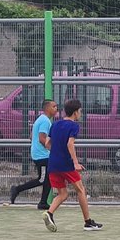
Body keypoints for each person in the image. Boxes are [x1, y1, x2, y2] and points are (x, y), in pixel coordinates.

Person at [42, 99, 102, 232]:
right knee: (80, 190)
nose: (80, 113)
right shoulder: (74, 126)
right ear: (75, 112)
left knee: (63, 194)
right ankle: (88, 222)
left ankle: (49, 213)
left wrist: (57, 153)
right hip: (66, 164)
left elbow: (47, 143)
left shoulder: (55, 124)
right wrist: (75, 163)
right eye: (80, 111)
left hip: (53, 164)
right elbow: (70, 144)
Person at [9, 98, 58, 210]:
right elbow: (42, 138)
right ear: (47, 108)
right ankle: (17, 189)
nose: (56, 109)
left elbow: (31, 136)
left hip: (40, 154)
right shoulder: (45, 121)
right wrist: (54, 150)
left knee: (48, 178)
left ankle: (43, 203)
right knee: (42, 179)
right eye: (54, 106)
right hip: (42, 156)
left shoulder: (40, 119)